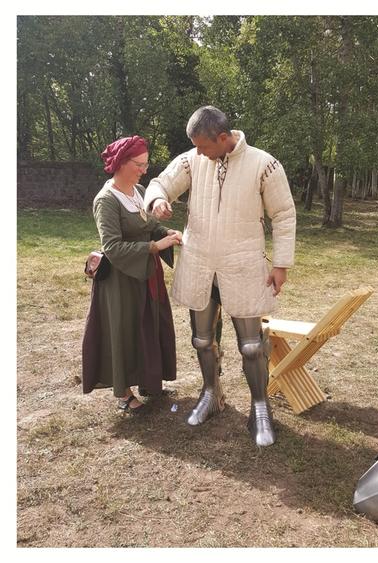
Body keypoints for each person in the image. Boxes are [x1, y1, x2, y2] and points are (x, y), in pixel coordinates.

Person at [144, 105, 296, 447]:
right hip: (199, 261)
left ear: (224, 138)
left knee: (252, 345)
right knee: (201, 339)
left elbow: (284, 214)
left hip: (242, 264)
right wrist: (156, 202)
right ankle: (212, 393)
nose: (198, 152)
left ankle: (260, 407)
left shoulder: (264, 164)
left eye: (204, 145)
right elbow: (160, 183)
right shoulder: (193, 161)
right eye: (195, 146)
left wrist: (281, 264)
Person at [82, 136, 182, 413]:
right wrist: (154, 246)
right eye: (139, 164)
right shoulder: (106, 200)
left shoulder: (138, 191)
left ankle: (148, 381)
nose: (144, 169)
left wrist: (167, 234)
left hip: (146, 275)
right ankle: (123, 393)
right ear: (122, 163)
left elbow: (149, 226)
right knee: (124, 332)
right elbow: (111, 246)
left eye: (145, 163)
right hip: (120, 281)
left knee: (147, 327)